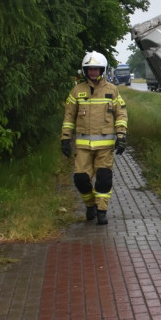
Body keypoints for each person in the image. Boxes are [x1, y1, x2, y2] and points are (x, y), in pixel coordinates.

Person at [61, 51, 128, 225]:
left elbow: (121, 114)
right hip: (83, 146)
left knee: (104, 179)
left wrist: (121, 136)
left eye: (96, 69)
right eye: (90, 70)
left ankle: (101, 211)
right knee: (81, 179)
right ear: (85, 71)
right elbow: (69, 117)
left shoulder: (112, 90)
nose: (93, 73)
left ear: (101, 70)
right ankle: (90, 204)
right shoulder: (77, 91)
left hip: (105, 147)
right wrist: (65, 138)